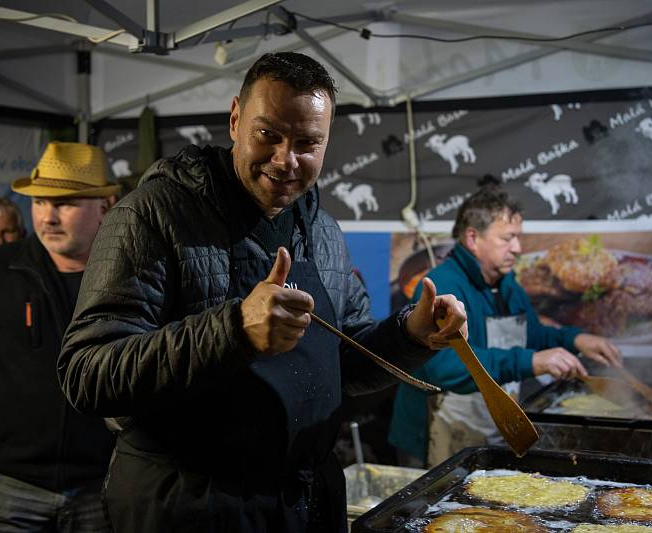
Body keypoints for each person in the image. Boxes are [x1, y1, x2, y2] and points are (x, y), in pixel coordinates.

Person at [56, 52, 467, 532]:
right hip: (186, 507)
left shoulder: (323, 232)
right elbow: (86, 374)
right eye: (268, 134)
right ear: (235, 120)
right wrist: (232, 329)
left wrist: (411, 335)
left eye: (307, 142)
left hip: (301, 503)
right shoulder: (150, 217)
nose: (285, 160)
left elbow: (344, 361)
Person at [389, 185, 622, 467]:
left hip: (488, 429)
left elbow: (531, 335)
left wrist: (576, 339)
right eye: (508, 238)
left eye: (518, 238)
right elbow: (445, 367)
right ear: (473, 238)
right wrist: (530, 361)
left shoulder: (508, 285)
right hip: (432, 436)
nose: (518, 249)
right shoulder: (443, 286)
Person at [0, 142, 119, 531]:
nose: (47, 217)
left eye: (65, 203)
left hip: (103, 483)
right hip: (12, 483)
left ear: (106, 205)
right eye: (39, 202)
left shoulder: (133, 275)